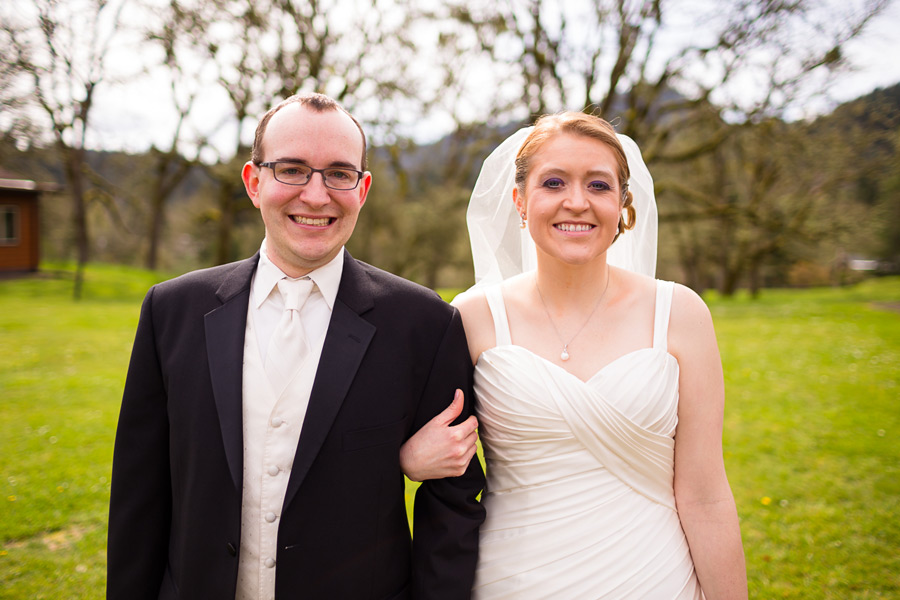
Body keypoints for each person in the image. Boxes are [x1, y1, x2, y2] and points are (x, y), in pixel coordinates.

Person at [107, 92, 485, 600]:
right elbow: (138, 494)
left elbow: (454, 501)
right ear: (253, 181)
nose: (315, 194)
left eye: (338, 173)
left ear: (363, 188)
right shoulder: (172, 310)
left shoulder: (426, 324)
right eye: (291, 169)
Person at [401, 112, 747, 598]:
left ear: (624, 204)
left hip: (652, 576)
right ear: (520, 201)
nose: (577, 202)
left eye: (599, 185)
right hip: (512, 579)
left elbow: (706, 496)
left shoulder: (680, 313)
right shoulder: (473, 317)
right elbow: (403, 446)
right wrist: (408, 461)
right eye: (554, 182)